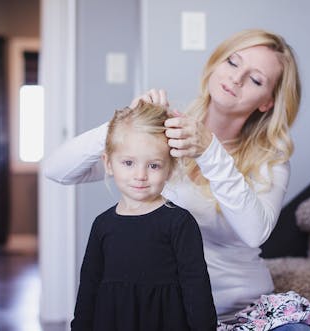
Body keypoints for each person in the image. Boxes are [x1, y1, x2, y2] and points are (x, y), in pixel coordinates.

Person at [44, 29, 310, 330]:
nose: (236, 78)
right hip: (170, 315)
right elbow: (57, 169)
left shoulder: (271, 158)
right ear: (215, 64)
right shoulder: (164, 134)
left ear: (267, 102)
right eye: (233, 62)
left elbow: (255, 232)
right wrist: (125, 123)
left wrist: (209, 150)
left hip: (244, 311)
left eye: (255, 79)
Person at [70, 101, 217, 331]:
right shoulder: (102, 225)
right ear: (109, 164)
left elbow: (196, 288)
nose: (140, 175)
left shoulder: (180, 223)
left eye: (154, 166)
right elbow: (89, 287)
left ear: (169, 169)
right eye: (128, 163)